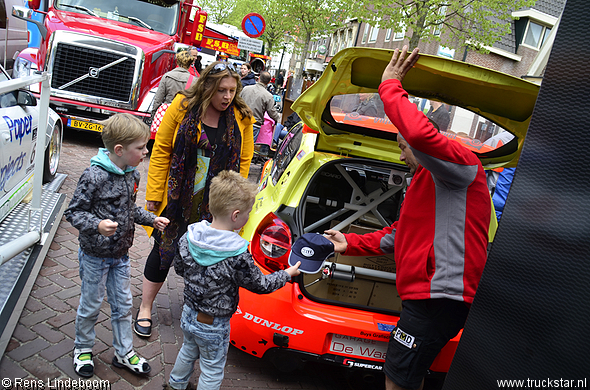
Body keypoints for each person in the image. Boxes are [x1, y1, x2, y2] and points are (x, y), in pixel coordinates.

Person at [324, 46, 491, 390]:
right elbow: (401, 234)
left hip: (439, 297)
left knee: (397, 380)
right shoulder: (427, 181)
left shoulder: (460, 166)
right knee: (404, 377)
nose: (402, 155)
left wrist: (390, 85)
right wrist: (350, 242)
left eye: (401, 148)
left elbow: (417, 134)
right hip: (428, 297)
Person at [134, 61, 255, 338]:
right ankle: (145, 307)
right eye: (221, 90)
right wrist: (154, 196)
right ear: (207, 87)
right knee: (163, 250)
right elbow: (162, 150)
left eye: (232, 90)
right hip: (178, 196)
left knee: (210, 258)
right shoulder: (182, 106)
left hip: (217, 202)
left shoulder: (241, 116)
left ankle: (197, 310)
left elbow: (244, 159)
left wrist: (237, 202)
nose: (226, 97)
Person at [164, 170, 301, 390]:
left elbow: (179, 268)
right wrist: (286, 274)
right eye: (248, 213)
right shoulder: (237, 255)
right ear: (236, 216)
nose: (249, 216)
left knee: (188, 350)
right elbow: (261, 285)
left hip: (189, 313)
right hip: (214, 323)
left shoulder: (188, 237)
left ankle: (175, 385)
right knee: (212, 367)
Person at [64, 114, 170, 378]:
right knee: (91, 304)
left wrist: (151, 219)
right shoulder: (94, 175)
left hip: (120, 255)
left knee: (123, 305)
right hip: (94, 256)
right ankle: (83, 349)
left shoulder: (131, 174)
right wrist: (97, 225)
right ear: (120, 150)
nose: (146, 151)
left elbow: (129, 209)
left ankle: (123, 352)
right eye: (141, 147)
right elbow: (74, 212)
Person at [240, 70, 281, 142]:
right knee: (248, 148)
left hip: (240, 121)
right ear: (269, 82)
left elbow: (238, 102)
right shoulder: (268, 96)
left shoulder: (246, 88)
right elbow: (271, 112)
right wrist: (278, 119)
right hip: (254, 125)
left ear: (259, 78)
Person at [152, 51, 195, 116]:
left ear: (177, 61)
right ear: (189, 65)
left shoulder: (167, 76)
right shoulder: (194, 81)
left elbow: (158, 99)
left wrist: (154, 115)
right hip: (182, 116)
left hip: (166, 114)